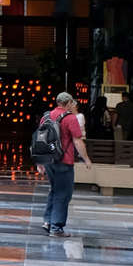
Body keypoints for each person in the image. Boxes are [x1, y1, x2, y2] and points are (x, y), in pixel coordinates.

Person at [42, 90, 92, 236]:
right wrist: (86, 158)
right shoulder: (70, 118)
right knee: (63, 193)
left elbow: (40, 140)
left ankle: (48, 221)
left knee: (55, 189)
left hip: (49, 160)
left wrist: (40, 162)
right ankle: (56, 228)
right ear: (68, 103)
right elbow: (77, 141)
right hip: (64, 160)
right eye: (72, 102)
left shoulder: (46, 116)